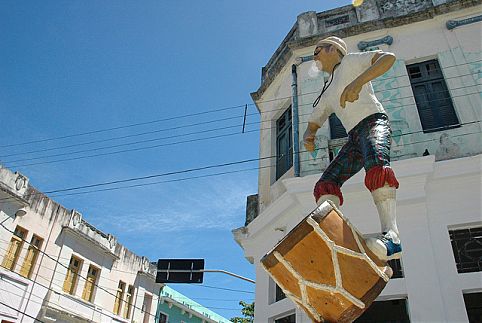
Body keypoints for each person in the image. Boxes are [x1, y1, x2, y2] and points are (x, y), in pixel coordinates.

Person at [303, 36, 401, 261]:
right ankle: (332, 236)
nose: (314, 57)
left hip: (374, 122)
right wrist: (310, 134)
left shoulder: (350, 62)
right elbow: (317, 116)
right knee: (326, 183)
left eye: (317, 51)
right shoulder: (328, 88)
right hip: (354, 137)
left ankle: (393, 237)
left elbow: (388, 58)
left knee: (377, 165)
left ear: (332, 49)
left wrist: (358, 82)